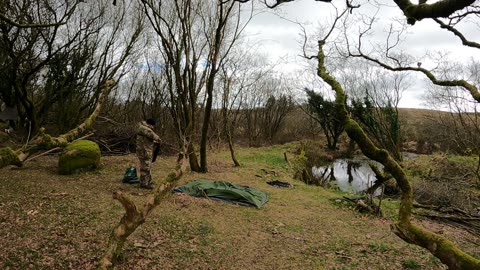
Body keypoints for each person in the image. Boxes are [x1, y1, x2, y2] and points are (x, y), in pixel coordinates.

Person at [136, 118, 161, 189]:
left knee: (147, 166)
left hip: (144, 151)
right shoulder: (144, 128)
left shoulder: (143, 128)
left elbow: (145, 140)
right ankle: (144, 184)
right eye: (153, 126)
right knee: (145, 167)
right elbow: (155, 136)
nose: (153, 128)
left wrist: (154, 143)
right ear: (150, 124)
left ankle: (148, 181)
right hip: (144, 152)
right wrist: (158, 140)